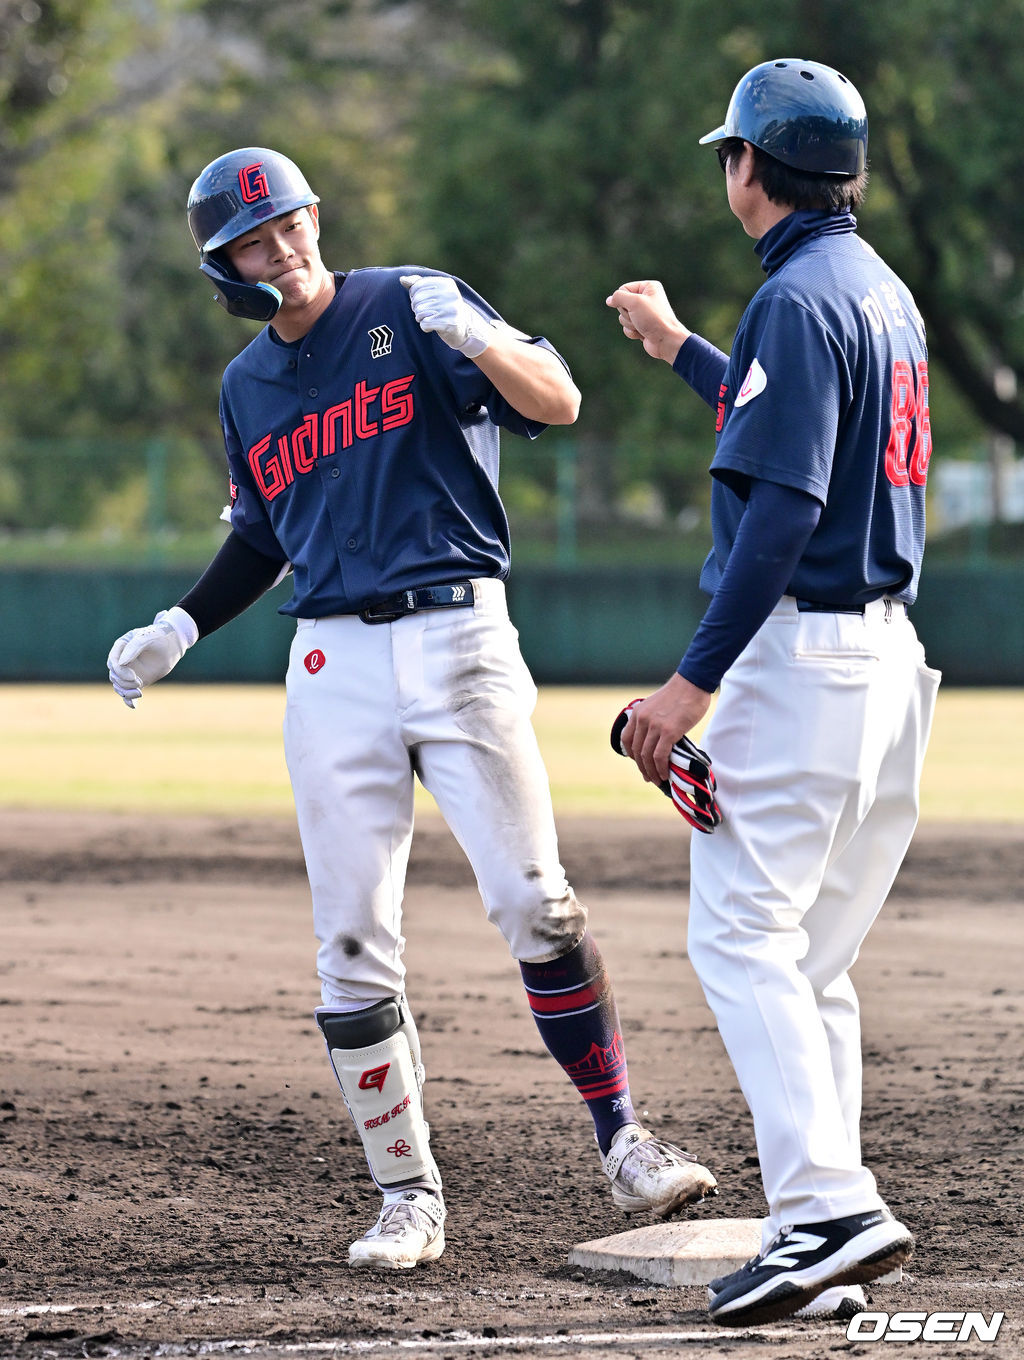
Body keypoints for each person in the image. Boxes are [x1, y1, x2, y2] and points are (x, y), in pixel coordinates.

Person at [105, 147, 717, 1271]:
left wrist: (477, 333)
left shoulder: (405, 301)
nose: (283, 249)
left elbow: (560, 399)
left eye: (289, 223)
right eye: (255, 239)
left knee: (537, 903)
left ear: (313, 216)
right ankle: (406, 1194)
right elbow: (262, 531)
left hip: (461, 635)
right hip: (331, 659)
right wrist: (184, 623)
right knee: (350, 946)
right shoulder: (246, 385)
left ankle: (624, 1138)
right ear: (223, 267)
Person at [606, 60, 940, 1327]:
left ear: (750, 167)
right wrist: (687, 346)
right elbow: (797, 430)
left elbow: (786, 506)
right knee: (811, 960)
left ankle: (826, 1207)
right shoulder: (875, 291)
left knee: (738, 936)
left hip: (801, 661)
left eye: (727, 153)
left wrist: (689, 686)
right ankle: (828, 1221)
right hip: (888, 666)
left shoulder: (797, 300)